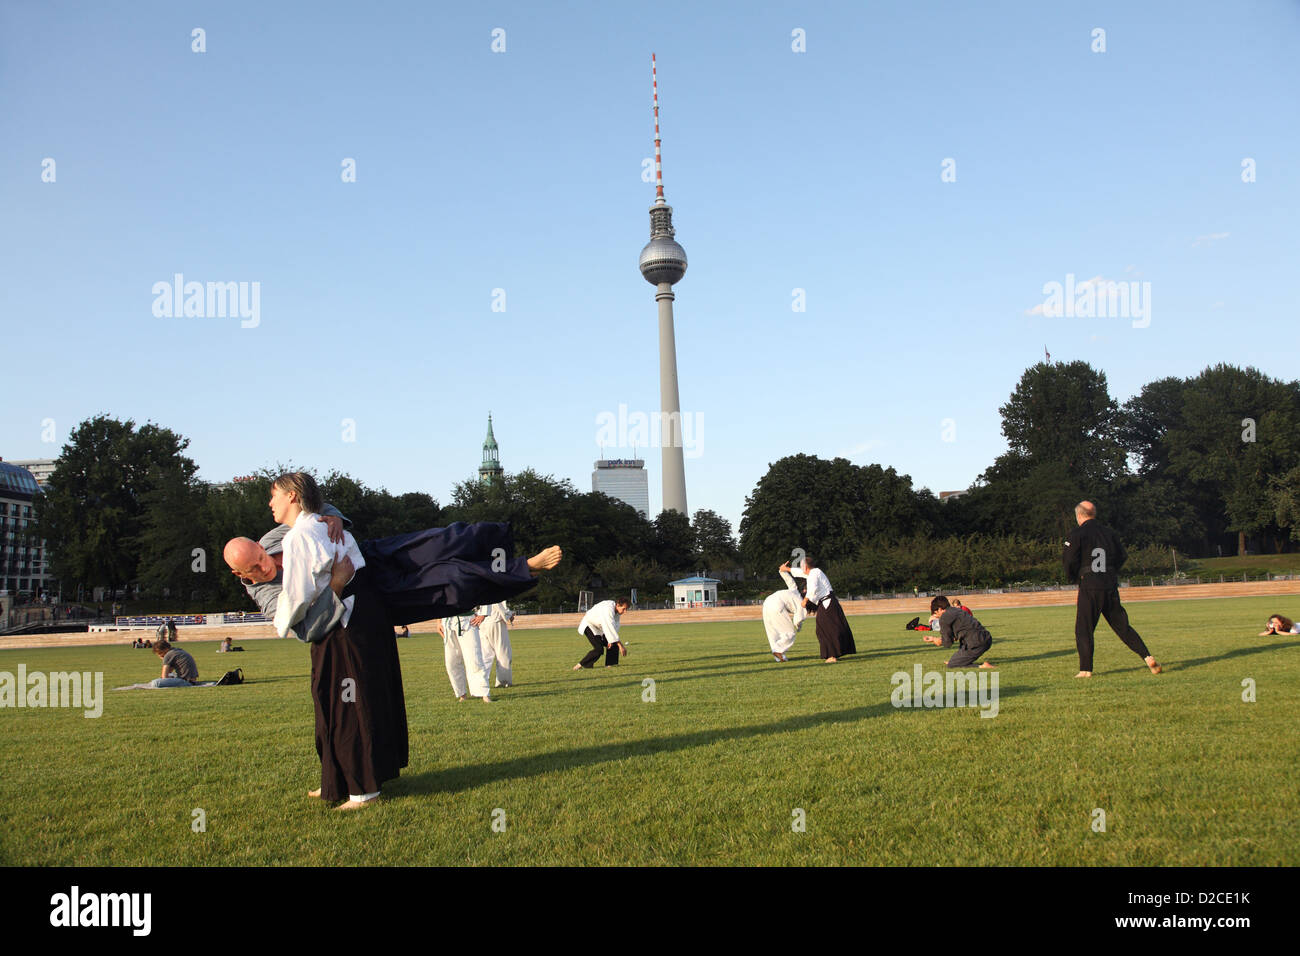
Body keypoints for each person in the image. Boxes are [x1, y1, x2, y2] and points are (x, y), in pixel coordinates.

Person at [265, 471, 410, 811]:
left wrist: (283, 623)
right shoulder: (327, 526)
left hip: (344, 624)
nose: (270, 503)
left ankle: (362, 790)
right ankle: (338, 780)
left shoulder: (300, 536)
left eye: (274, 495)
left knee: (347, 705)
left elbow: (299, 596)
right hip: (360, 617)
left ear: (292, 496)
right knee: (342, 701)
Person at [1064, 500, 1162, 678]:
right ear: (1094, 513)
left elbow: (1069, 559)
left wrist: (1074, 577)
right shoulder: (1109, 533)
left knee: (1083, 629)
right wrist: (1110, 572)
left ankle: (1085, 670)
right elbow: (1122, 556)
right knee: (1123, 627)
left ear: (1079, 515)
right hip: (1109, 584)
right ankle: (1148, 657)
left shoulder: (1077, 533)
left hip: (1090, 585)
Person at [794, 556, 856, 663]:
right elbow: (802, 573)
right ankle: (835, 652)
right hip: (828, 603)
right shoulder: (815, 572)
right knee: (832, 627)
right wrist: (788, 570)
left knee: (825, 629)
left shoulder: (814, 574)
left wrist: (805, 600)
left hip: (828, 603)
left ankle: (832, 655)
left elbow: (812, 589)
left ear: (805, 566)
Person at [921, 596, 994, 668]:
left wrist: (935, 640)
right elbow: (954, 636)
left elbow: (947, 643)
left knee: (952, 665)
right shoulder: (957, 610)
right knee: (954, 659)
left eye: (936, 613)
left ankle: (982, 666)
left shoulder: (944, 618)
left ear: (940, 609)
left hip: (976, 643)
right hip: (985, 638)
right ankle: (957, 661)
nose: (937, 616)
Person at [436, 611, 493, 702]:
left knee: (474, 660)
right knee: (451, 663)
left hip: (467, 621)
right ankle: (462, 694)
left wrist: (483, 614)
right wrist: (439, 621)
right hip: (448, 623)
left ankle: (484, 693)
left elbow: (485, 596)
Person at [762, 563, 809, 661]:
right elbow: (798, 619)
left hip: (767, 602)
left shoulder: (794, 590)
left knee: (773, 633)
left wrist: (782, 570)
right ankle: (778, 650)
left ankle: (779, 658)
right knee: (790, 633)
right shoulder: (802, 603)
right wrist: (798, 627)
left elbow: (789, 580)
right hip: (777, 604)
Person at [573, 598, 629, 669]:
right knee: (599, 649)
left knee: (613, 644)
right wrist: (621, 646)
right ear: (617, 605)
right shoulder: (608, 610)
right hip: (589, 625)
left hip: (600, 627)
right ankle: (579, 665)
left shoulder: (617, 612)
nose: (625, 611)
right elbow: (610, 628)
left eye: (626, 609)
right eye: (624, 609)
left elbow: (614, 627)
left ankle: (611, 664)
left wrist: (611, 641)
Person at [478, 601, 515, 687]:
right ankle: (503, 681)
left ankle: (481, 682)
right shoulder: (497, 588)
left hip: (483, 623)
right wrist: (509, 615)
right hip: (495, 622)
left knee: (486, 655)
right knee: (503, 653)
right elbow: (500, 605)